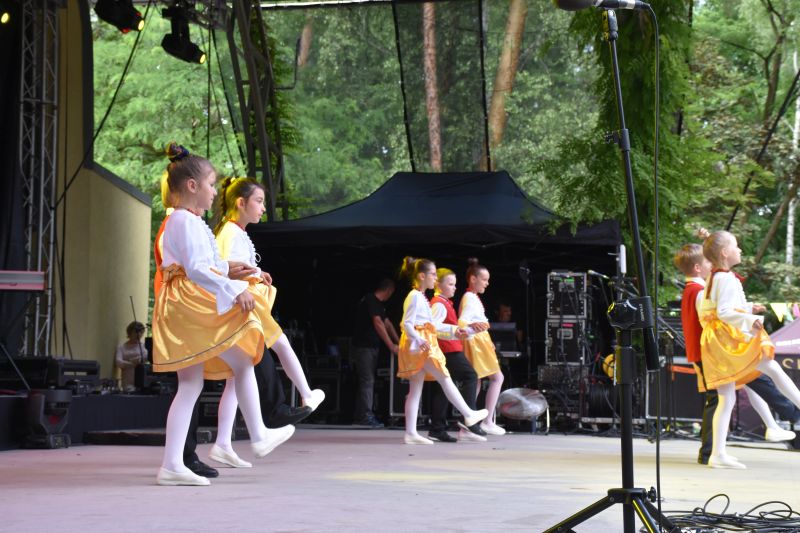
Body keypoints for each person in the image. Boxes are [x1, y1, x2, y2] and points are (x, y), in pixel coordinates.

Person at [151, 143, 294, 485]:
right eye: (211, 184)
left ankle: (173, 464)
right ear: (192, 186)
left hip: (185, 301)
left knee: (194, 382)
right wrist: (233, 289)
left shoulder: (187, 221)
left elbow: (202, 264)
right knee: (242, 353)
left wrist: (230, 269)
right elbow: (197, 270)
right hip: (188, 302)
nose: (216, 192)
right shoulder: (184, 220)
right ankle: (258, 434)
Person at [208, 176, 324, 468]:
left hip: (244, 298)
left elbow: (236, 267)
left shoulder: (233, 231)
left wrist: (258, 273)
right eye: (258, 201)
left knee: (236, 377)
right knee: (280, 343)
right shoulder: (231, 233)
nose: (262, 208)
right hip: (245, 302)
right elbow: (226, 271)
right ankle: (306, 393)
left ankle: (223, 443)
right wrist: (246, 284)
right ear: (241, 203)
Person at [673, 243, 795, 466]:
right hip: (721, 347)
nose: (740, 250)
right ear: (700, 266)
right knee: (757, 378)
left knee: (733, 393)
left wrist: (746, 311)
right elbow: (721, 313)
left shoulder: (706, 284)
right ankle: (713, 451)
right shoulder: (705, 286)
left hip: (716, 348)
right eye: (707, 261)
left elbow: (718, 310)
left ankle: (720, 451)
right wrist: (748, 318)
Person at [397, 256, 488, 444]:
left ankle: (411, 433)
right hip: (422, 346)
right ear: (422, 276)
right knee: (445, 379)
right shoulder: (415, 296)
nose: (434, 277)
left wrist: (457, 331)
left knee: (417, 390)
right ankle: (468, 414)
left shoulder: (420, 296)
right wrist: (418, 339)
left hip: (422, 344)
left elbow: (433, 326)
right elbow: (406, 323)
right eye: (432, 274)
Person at [429, 268, 485, 443]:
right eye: (450, 284)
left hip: (449, 347)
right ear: (438, 285)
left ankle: (437, 428)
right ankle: (468, 419)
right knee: (470, 376)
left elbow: (452, 329)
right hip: (447, 349)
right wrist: (458, 330)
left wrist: (469, 329)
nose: (454, 287)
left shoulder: (444, 303)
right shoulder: (439, 304)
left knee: (445, 387)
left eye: (454, 284)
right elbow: (433, 327)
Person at [459, 258, 506, 436]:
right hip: (476, 343)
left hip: (479, 341)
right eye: (484, 279)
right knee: (496, 378)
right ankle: (486, 421)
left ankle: (468, 425)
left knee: (476, 381)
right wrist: (472, 327)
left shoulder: (472, 297)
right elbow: (462, 322)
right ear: (473, 279)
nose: (487, 283)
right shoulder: (470, 298)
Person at [351, 278, 399, 428]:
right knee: (368, 381)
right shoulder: (370, 299)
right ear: (389, 291)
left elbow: (387, 323)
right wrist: (391, 345)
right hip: (364, 347)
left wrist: (399, 342)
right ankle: (365, 416)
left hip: (371, 347)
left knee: (366, 381)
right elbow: (378, 322)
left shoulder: (378, 304)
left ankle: (360, 415)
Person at [115, 321, 146, 392]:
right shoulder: (121, 347)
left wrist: (138, 359)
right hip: (127, 381)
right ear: (130, 333)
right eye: (136, 332)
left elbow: (146, 357)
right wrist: (132, 364)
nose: (139, 334)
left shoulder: (143, 346)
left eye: (141, 332)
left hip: (142, 381)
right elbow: (118, 362)